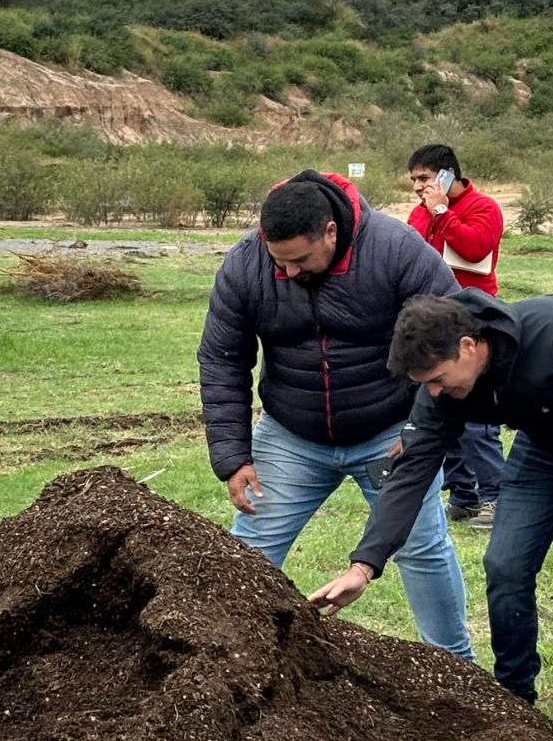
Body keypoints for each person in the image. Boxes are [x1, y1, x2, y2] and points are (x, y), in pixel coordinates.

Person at [308, 290, 553, 741]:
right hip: (551, 445)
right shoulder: (441, 391)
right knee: (504, 563)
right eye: (426, 384)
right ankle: (515, 700)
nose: (436, 393)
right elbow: (412, 473)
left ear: (469, 346)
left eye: (440, 380)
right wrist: (364, 566)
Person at [198, 168, 474, 658]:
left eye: (299, 260)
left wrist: (418, 431)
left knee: (420, 545)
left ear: (330, 231)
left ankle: (458, 667)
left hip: (389, 428)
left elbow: (449, 339)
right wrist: (232, 456)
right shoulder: (246, 265)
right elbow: (222, 360)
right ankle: (223, 662)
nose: (286, 273)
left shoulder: (396, 250)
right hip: (291, 434)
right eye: (277, 261)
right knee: (249, 550)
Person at [407, 143, 505, 527]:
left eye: (425, 178)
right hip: (432, 322)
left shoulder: (484, 208)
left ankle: (496, 496)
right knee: (441, 406)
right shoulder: (418, 214)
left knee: (479, 414)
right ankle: (463, 494)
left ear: (448, 176)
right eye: (414, 179)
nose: (417, 187)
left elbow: (476, 247)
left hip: (472, 321)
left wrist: (442, 214)